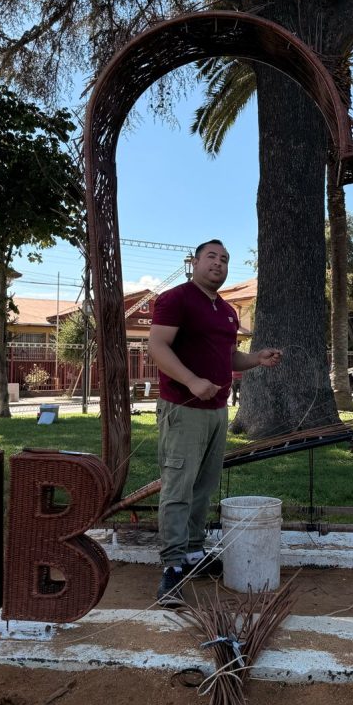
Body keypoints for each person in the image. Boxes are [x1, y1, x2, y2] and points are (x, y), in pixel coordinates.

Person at [148, 239, 282, 607]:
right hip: (183, 408)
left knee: (203, 486)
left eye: (225, 259)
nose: (219, 264)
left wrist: (257, 358)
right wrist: (191, 381)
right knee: (178, 487)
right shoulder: (176, 299)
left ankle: (193, 552)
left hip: (217, 411)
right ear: (193, 262)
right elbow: (157, 347)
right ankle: (172, 566)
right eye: (212, 257)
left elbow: (228, 356)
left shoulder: (225, 310)